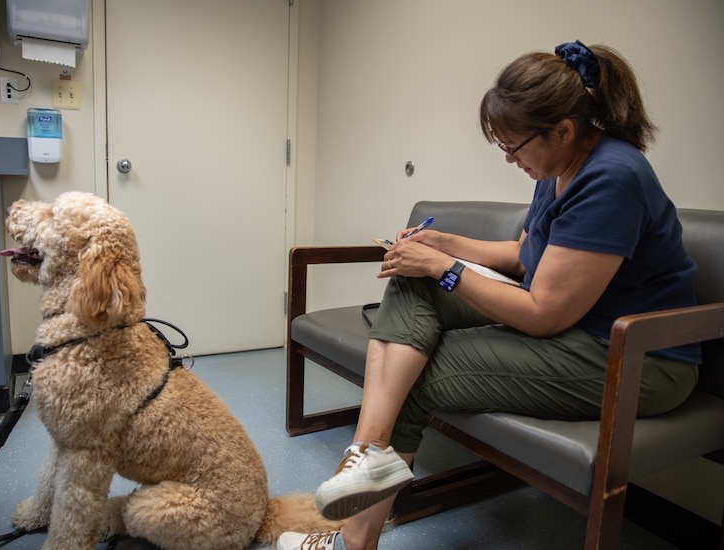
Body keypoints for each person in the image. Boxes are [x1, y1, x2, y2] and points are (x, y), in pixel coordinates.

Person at [277, 40, 701, 550]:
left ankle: (352, 539)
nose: (508, 158)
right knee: (414, 278)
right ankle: (365, 456)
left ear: (563, 130)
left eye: (514, 145)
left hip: (635, 358)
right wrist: (441, 244)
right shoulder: (557, 167)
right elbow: (524, 256)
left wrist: (446, 267)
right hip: (577, 327)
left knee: (419, 370)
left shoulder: (613, 178)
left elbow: (543, 313)